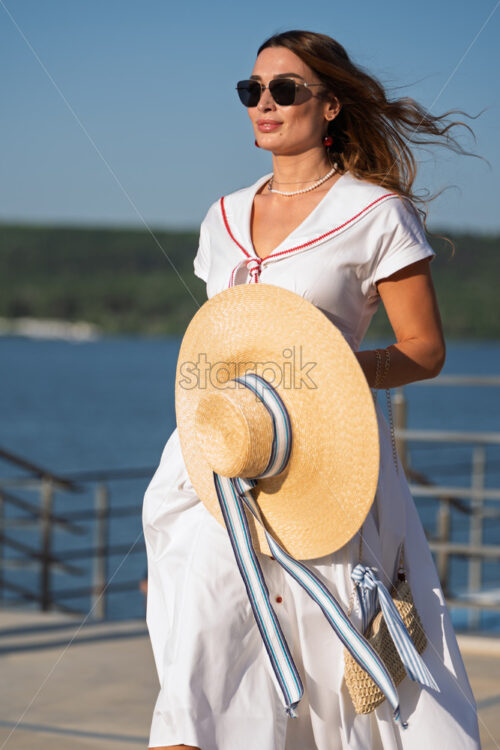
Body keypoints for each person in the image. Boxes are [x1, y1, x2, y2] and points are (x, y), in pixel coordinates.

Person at [142, 30, 482, 750]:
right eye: (252, 90)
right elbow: (221, 342)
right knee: (200, 666)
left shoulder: (376, 212)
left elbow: (425, 351)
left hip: (327, 461)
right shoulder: (222, 217)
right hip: (223, 456)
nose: (264, 104)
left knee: (337, 673)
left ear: (330, 105)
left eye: (284, 89)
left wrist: (332, 373)